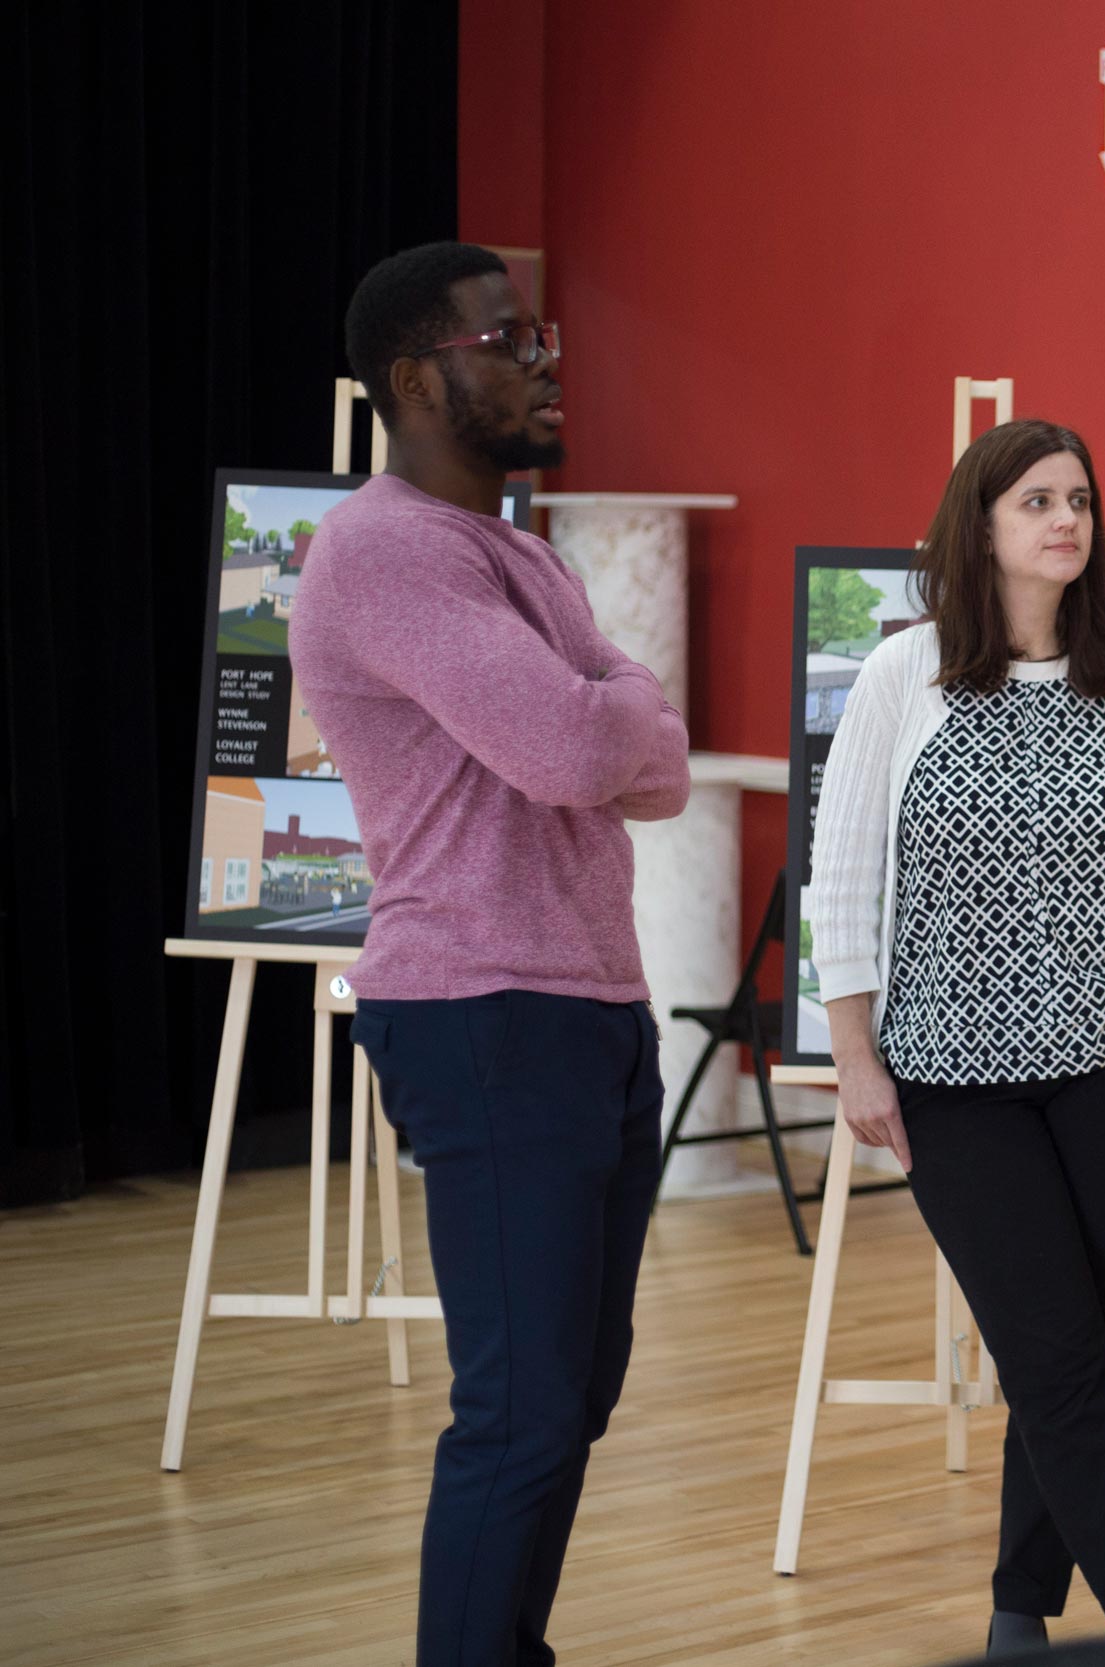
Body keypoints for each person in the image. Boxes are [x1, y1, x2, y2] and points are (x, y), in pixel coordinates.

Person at [291, 242, 690, 1667]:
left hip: (587, 1002)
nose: (543, 359)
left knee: (574, 1392)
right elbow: (586, 740)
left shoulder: (517, 550)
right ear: (415, 377)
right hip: (484, 1005)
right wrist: (615, 698)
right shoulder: (387, 546)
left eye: (543, 333)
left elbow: (661, 766)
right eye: (508, 337)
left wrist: (615, 704)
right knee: (519, 1409)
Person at [808, 418, 1105, 1655]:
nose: (1065, 520)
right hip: (951, 1077)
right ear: (978, 521)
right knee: (1051, 1358)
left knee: (1073, 1352)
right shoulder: (906, 674)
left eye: (1080, 500)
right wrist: (854, 1050)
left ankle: (1017, 1614)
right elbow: (843, 874)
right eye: (1037, 498)